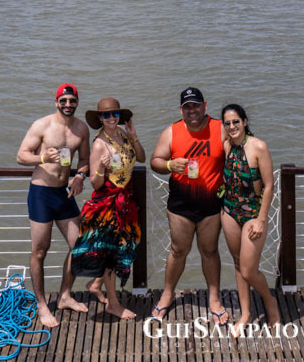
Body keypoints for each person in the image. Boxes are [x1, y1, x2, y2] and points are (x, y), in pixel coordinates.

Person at [149, 86, 228, 325]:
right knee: (178, 250)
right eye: (187, 106)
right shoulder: (171, 132)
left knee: (210, 251)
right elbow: (155, 161)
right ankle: (167, 294)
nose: (192, 110)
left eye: (196, 105)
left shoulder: (220, 128)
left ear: (205, 106)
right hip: (180, 205)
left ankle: (214, 299)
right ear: (181, 109)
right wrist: (170, 165)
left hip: (211, 205)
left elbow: (239, 154)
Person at [16, 83, 91, 327]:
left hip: (64, 193)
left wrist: (80, 176)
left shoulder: (81, 129)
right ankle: (41, 304)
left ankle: (65, 296)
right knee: (40, 250)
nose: (68, 105)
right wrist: (42, 157)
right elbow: (20, 155)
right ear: (56, 102)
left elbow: (85, 159)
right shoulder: (42, 125)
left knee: (79, 246)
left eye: (72, 101)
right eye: (63, 100)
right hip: (41, 194)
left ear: (77, 102)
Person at [70, 97, 145, 320]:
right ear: (100, 119)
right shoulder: (99, 144)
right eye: (106, 115)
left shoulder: (122, 134)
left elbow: (140, 157)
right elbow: (95, 183)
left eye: (115, 114)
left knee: (127, 245)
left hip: (126, 201)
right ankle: (113, 304)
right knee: (111, 255)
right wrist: (101, 166)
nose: (111, 118)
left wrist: (133, 136)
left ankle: (96, 284)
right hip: (107, 205)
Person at [219, 103, 281, 333]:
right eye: (227, 123)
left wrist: (261, 219)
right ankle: (245, 314)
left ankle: (269, 302)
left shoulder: (259, 147)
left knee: (248, 270)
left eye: (236, 121)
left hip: (253, 214)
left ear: (245, 122)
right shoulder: (226, 146)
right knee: (237, 263)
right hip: (229, 211)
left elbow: (268, 186)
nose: (232, 126)